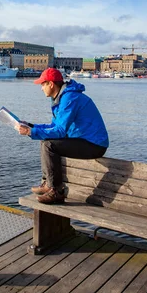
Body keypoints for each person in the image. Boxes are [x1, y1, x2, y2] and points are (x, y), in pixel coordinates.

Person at [18, 68, 109, 204]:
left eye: (43, 84)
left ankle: (56, 190)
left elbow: (60, 131)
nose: (41, 88)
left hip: (94, 144)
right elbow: (54, 126)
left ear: (51, 84)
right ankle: (48, 184)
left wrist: (31, 132)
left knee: (49, 144)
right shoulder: (63, 97)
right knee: (46, 142)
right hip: (83, 140)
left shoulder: (69, 98)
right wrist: (32, 126)